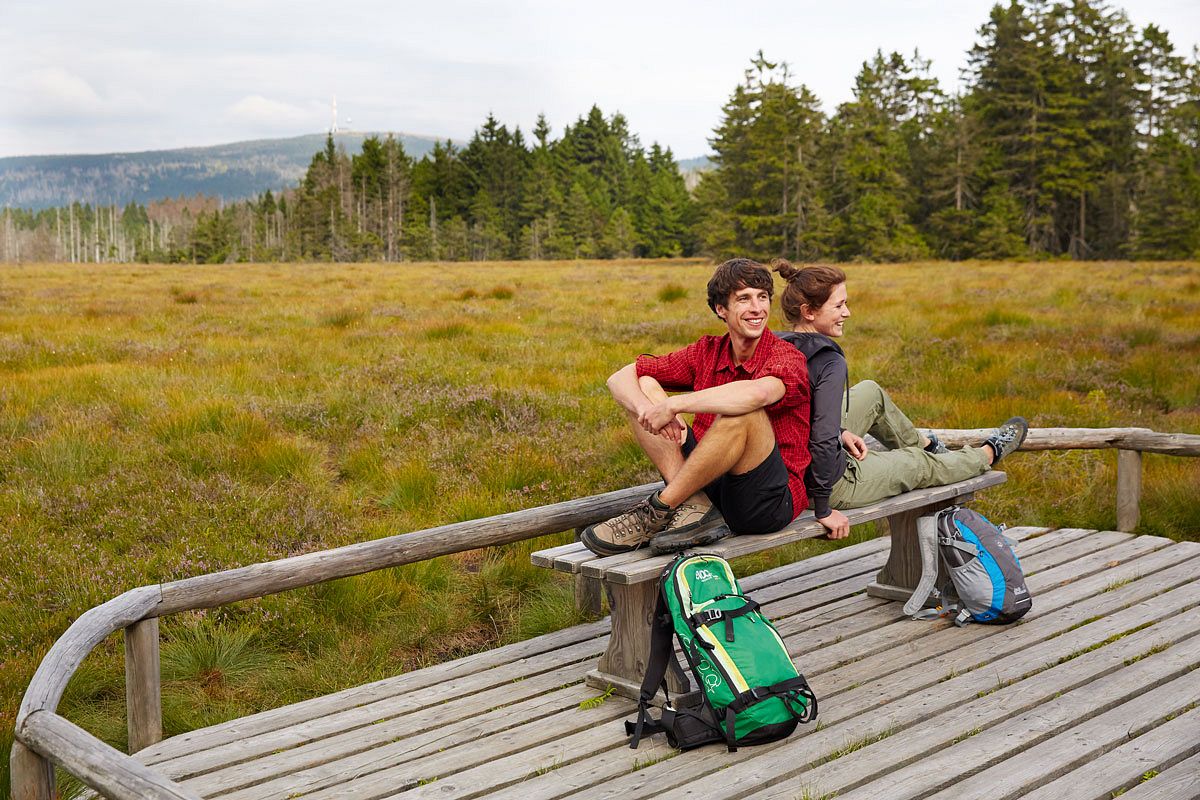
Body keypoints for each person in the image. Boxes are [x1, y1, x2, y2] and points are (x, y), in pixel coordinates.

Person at [772, 260, 1028, 540]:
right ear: (809, 311)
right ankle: (986, 454)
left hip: (795, 465)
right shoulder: (828, 361)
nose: (847, 312)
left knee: (870, 392)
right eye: (839, 306)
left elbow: (798, 416)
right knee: (916, 464)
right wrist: (823, 507)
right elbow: (821, 438)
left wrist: (841, 431)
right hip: (828, 484)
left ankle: (930, 448)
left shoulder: (777, 345)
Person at [581, 258, 813, 556]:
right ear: (721, 309)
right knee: (645, 384)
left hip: (766, 500)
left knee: (743, 413)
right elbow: (619, 377)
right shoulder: (708, 351)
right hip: (711, 485)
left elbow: (757, 394)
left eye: (762, 297)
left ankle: (661, 507)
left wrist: (675, 404)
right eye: (744, 299)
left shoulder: (787, 357)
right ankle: (693, 505)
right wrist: (648, 408)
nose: (757, 308)